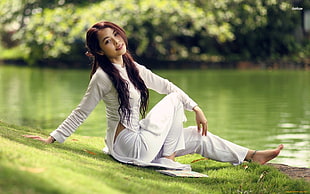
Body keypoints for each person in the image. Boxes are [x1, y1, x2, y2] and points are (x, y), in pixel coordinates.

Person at [24, 21, 283, 170]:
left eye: (115, 34)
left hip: (139, 139)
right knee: (173, 102)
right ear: (100, 51)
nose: (115, 41)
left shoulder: (132, 67)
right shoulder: (102, 76)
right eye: (107, 41)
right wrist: (51, 139)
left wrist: (196, 107)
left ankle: (252, 155)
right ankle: (167, 159)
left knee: (195, 134)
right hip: (130, 146)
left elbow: (166, 85)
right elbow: (81, 111)